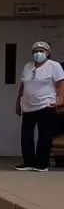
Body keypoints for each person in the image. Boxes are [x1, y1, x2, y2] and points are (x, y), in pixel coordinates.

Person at [15, 40, 64, 172]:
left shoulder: (54, 66)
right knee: (26, 135)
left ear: (47, 53)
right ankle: (28, 162)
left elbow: (60, 84)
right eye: (36, 51)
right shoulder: (28, 66)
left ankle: (41, 163)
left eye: (41, 51)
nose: (38, 53)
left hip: (46, 105)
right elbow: (22, 86)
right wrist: (18, 102)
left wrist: (61, 100)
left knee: (45, 135)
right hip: (28, 106)